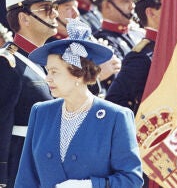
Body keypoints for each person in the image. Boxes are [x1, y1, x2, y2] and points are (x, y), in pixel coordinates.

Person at [14, 19, 143, 188]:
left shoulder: (116, 116)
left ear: (78, 74)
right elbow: (26, 179)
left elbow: (132, 180)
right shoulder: (41, 112)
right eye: (47, 71)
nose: (47, 78)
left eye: (54, 72)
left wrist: (91, 185)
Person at [0, 0, 58, 187]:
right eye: (46, 8)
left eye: (54, 7)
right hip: (19, 168)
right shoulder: (6, 63)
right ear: (24, 18)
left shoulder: (49, 61)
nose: (55, 14)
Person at [105, 0, 162, 187]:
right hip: (153, 150)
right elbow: (115, 101)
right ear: (151, 12)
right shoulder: (142, 56)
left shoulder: (169, 48)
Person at [92, 0, 144, 93]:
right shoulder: (101, 40)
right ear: (107, 6)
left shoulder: (139, 33)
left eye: (132, 0)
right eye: (126, 1)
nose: (132, 6)